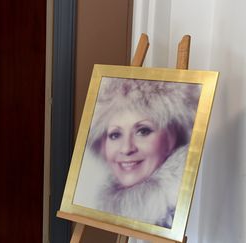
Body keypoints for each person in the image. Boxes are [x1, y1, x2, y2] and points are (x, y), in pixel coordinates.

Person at [74, 77, 201, 228]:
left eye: (143, 131)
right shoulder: (99, 204)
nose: (127, 148)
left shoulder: (180, 209)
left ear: (170, 140)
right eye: (115, 134)